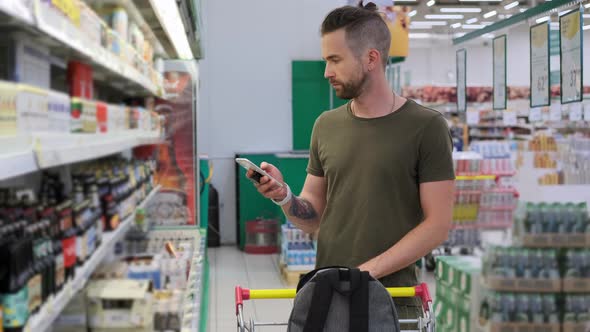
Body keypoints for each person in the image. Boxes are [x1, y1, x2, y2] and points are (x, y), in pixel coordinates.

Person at [248, 2, 455, 323]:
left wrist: (364, 273)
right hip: (328, 298)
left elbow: (438, 225)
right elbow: (313, 219)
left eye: (335, 60)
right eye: (326, 60)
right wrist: (282, 195)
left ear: (371, 58)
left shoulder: (426, 127)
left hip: (393, 303)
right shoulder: (326, 125)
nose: (326, 72)